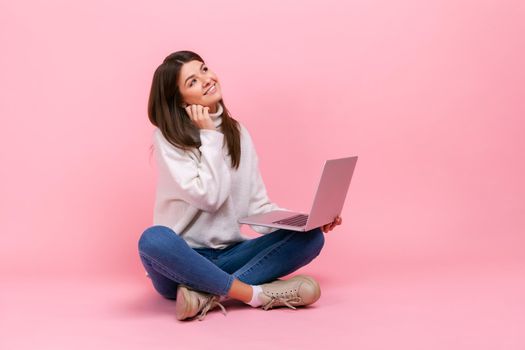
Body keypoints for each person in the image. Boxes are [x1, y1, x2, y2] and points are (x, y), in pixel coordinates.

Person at [138, 50, 343, 321]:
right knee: (153, 239)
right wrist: (209, 134)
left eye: (204, 69)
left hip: (231, 255)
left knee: (312, 238)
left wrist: (305, 221)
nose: (206, 79)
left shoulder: (238, 133)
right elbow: (209, 198)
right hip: (181, 261)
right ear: (179, 101)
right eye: (193, 82)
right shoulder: (168, 140)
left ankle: (205, 296)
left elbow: (257, 206)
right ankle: (255, 294)